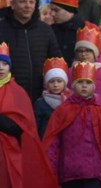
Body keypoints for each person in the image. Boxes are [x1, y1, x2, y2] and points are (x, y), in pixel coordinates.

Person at [43, 61, 101, 188]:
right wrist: (50, 167)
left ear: (93, 86)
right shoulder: (62, 111)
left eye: (88, 83)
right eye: (80, 82)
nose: (84, 86)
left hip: (94, 173)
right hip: (69, 172)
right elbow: (53, 141)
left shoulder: (100, 112)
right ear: (73, 85)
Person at [0, 42, 58, 188]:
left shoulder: (17, 92)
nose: (1, 67)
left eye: (4, 64)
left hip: (10, 153)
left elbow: (20, 127)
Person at [0, 0, 61, 102]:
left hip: (41, 98)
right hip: (8, 97)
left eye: (31, 2)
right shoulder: (1, 28)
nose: (28, 6)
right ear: (13, 5)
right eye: (22, 2)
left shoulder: (45, 30)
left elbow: (56, 61)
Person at [34, 57, 72, 138]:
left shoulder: (71, 101)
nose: (55, 85)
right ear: (46, 84)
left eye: (59, 81)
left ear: (65, 83)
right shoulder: (40, 103)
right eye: (51, 81)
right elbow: (36, 126)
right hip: (47, 140)